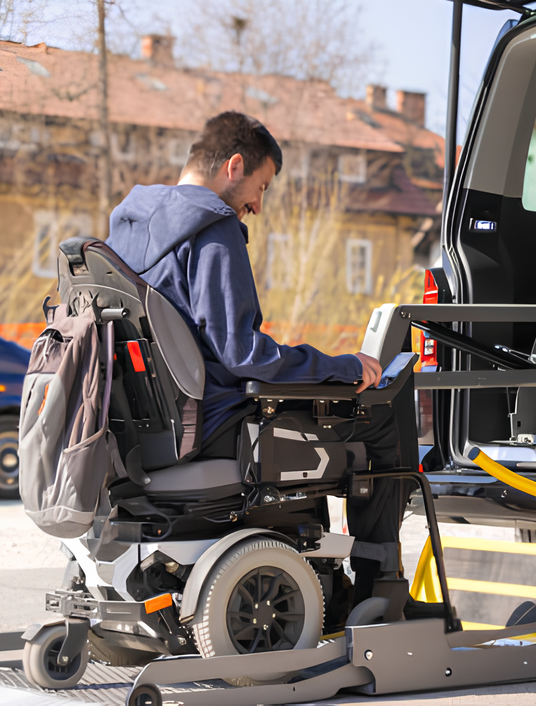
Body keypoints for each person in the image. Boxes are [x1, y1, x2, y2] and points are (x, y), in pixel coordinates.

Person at [105, 111, 417, 605]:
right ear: (234, 165)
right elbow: (243, 353)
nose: (258, 204)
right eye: (262, 186)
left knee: (315, 409)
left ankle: (322, 574)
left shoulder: (124, 229)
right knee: (378, 414)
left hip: (148, 433)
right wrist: (345, 367)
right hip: (213, 425)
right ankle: (379, 590)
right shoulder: (213, 227)